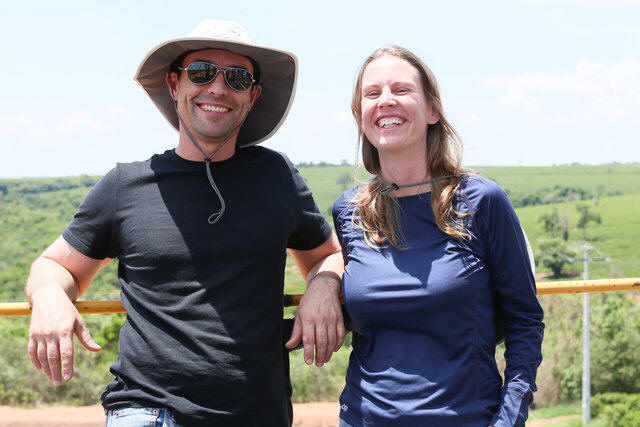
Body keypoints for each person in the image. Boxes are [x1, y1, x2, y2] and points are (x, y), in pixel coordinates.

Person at [24, 20, 345, 426]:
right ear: (175, 85)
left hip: (258, 415)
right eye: (201, 72)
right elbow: (54, 266)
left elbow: (328, 255)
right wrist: (49, 295)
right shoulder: (126, 185)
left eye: (237, 78)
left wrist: (323, 284)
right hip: (147, 411)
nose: (218, 88)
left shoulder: (276, 177)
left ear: (253, 96)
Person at [332, 45, 544, 426]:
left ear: (432, 110)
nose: (385, 101)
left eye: (401, 89)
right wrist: (322, 284)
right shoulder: (349, 211)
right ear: (360, 116)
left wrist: (509, 419)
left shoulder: (480, 202)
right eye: (372, 93)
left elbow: (525, 323)